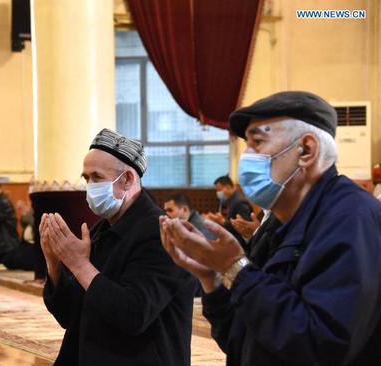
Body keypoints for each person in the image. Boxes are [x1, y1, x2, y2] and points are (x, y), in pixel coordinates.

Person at [160, 91, 381, 365]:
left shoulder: (350, 217)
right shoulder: (277, 223)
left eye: (257, 143)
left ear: (306, 150)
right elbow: (242, 338)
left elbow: (322, 345)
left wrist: (235, 267)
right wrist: (212, 280)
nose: (246, 157)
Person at [40, 128, 195, 366]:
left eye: (96, 177)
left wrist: (80, 265)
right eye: (86, 178)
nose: (89, 186)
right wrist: (56, 265)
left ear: (127, 179)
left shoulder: (162, 233)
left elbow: (134, 315)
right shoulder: (100, 231)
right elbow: (69, 316)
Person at [206, 175, 253, 248]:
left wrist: (223, 221)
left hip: (239, 242)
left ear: (227, 187)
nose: (218, 193)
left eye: (219, 190)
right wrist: (217, 219)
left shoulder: (239, 201)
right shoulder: (231, 199)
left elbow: (244, 226)